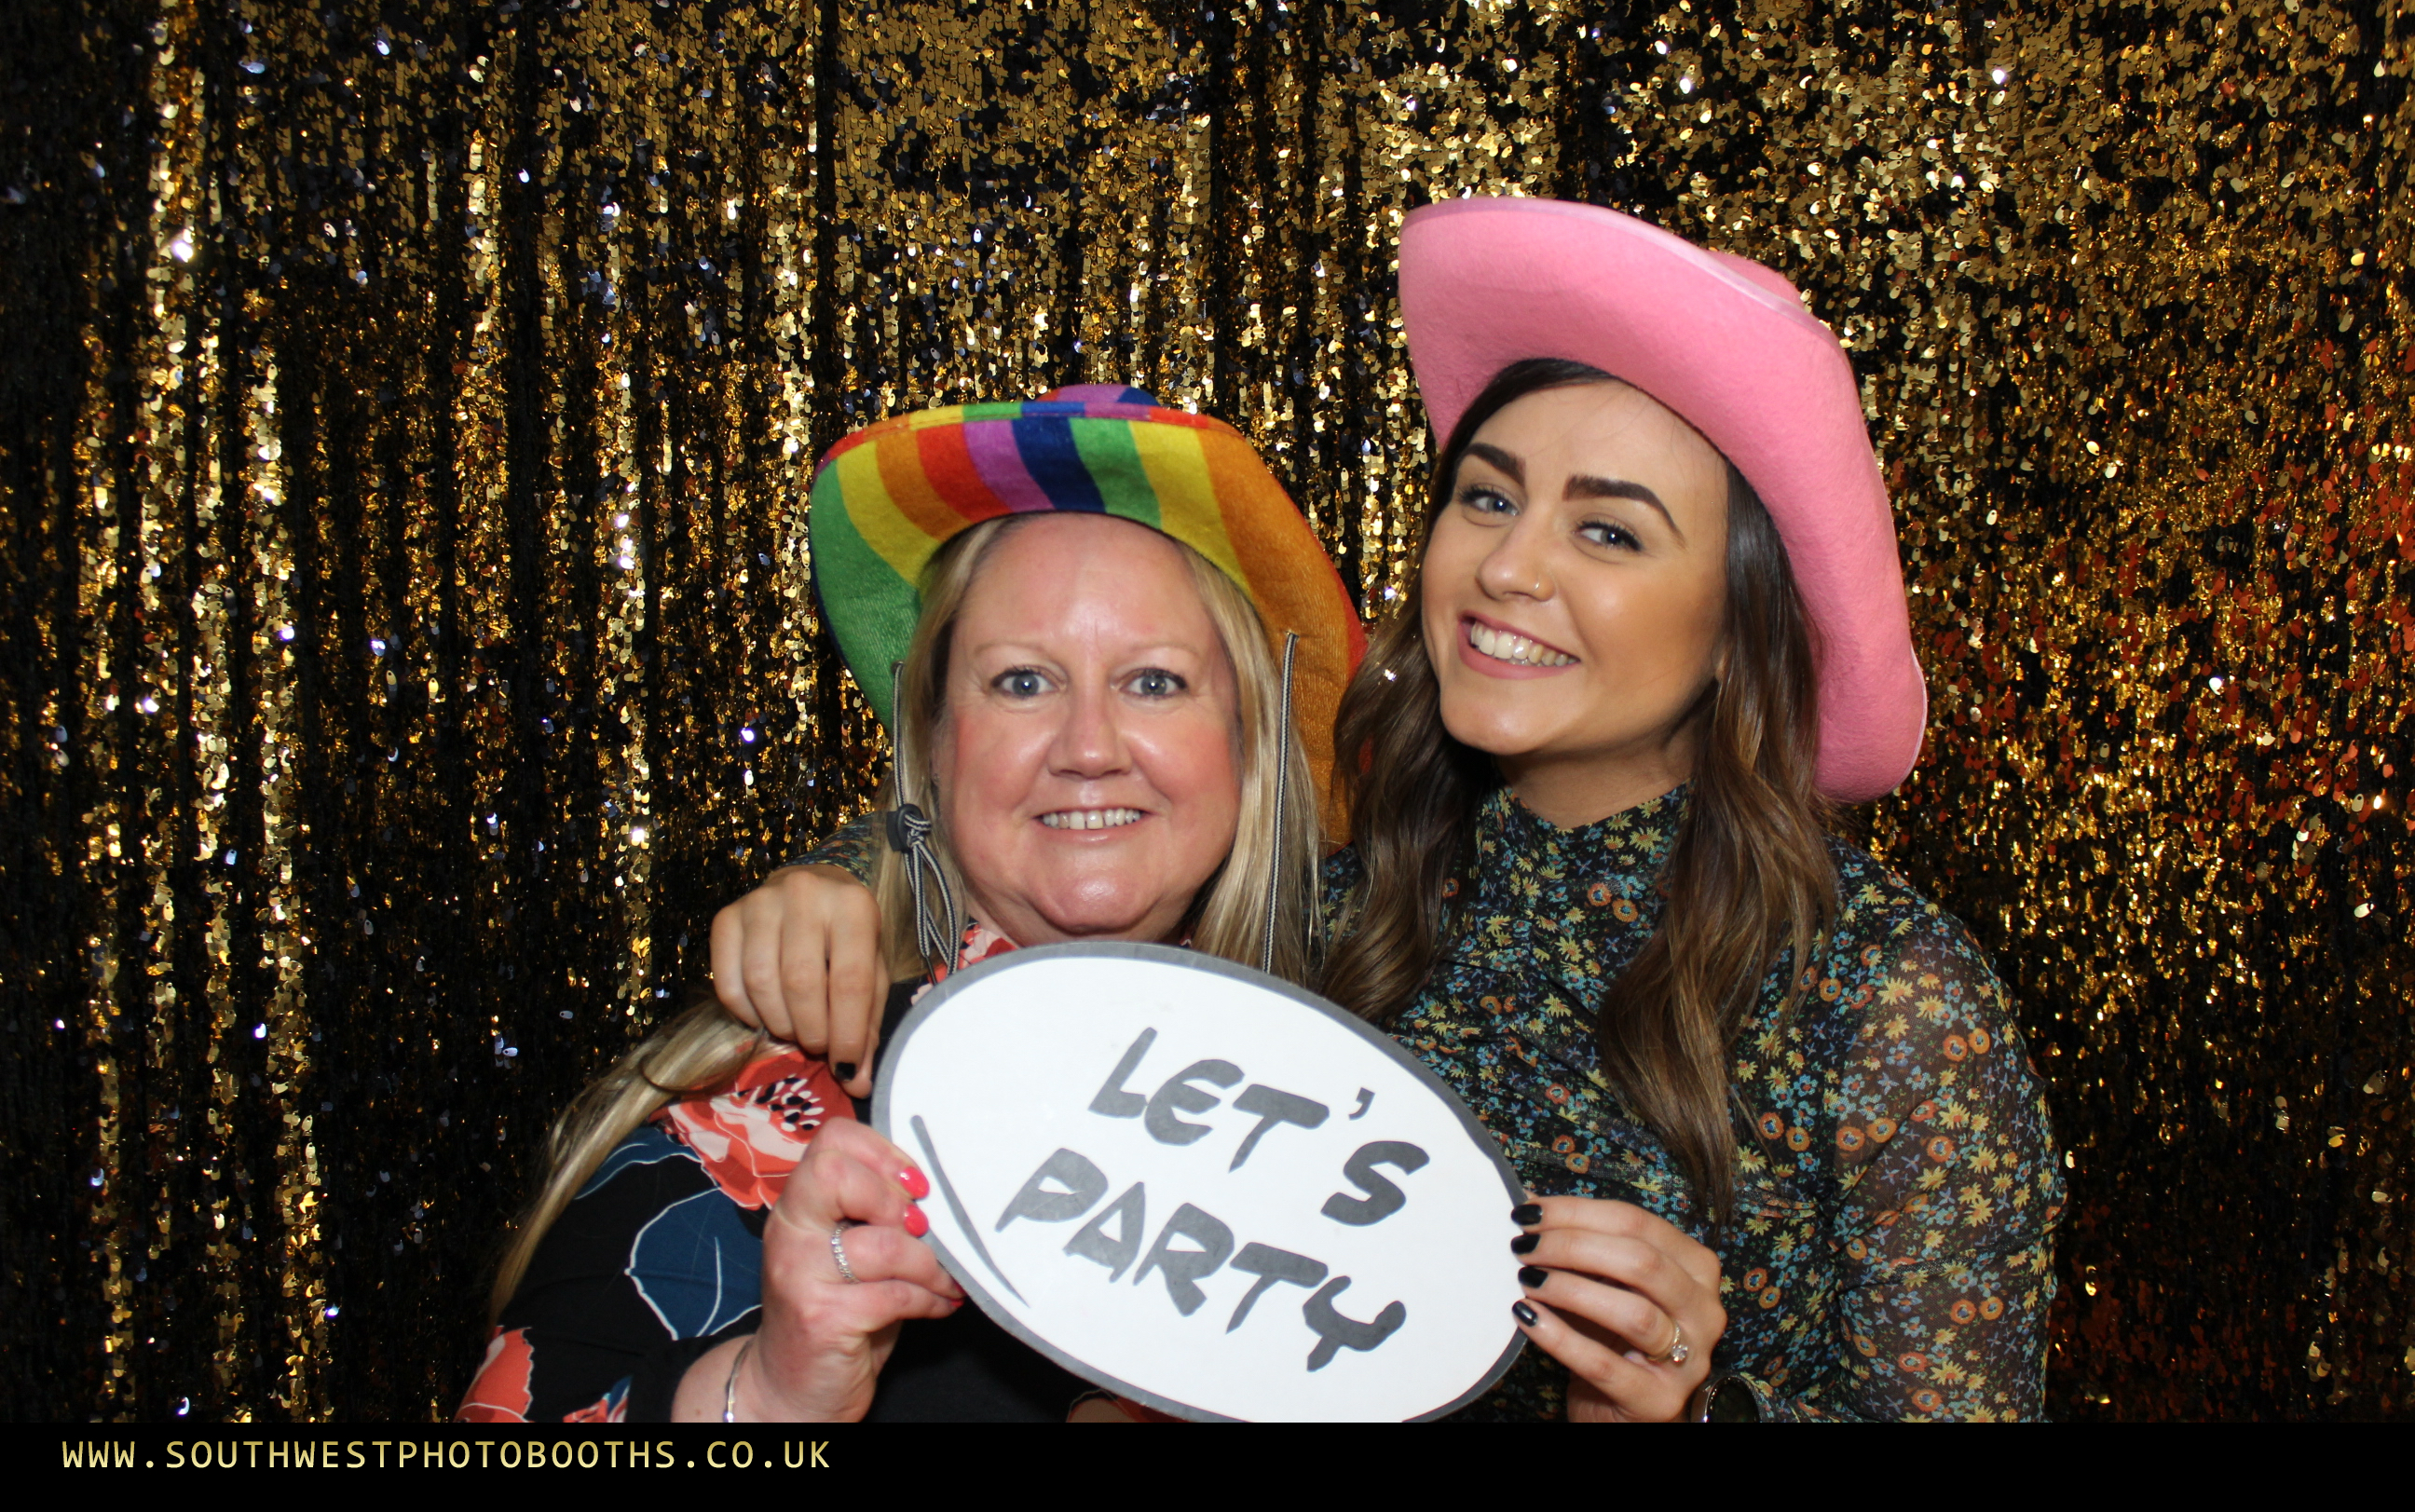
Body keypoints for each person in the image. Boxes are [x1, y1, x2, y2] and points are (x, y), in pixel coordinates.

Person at [717, 201, 2064, 1422]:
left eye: (1609, 532)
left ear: (1735, 626)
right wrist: (845, 882)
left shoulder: (1888, 997)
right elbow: (1076, 836)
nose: (1509, 565)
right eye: (1488, 496)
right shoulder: (1341, 896)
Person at [457, 385, 1362, 1423]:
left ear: (1248, 745)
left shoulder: (1343, 1093)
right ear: (935, 744)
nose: (1089, 747)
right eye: (1022, 683)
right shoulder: (779, 1104)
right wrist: (774, 1393)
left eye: (1154, 683)